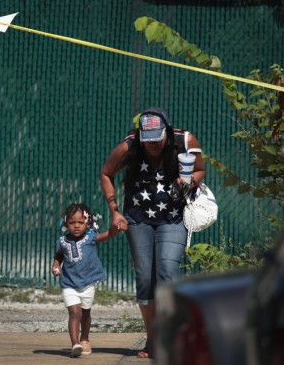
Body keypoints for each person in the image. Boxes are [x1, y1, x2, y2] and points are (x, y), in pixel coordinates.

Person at [99, 107, 205, 358]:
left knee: (167, 270)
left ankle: (173, 338)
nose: (153, 144)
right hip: (138, 219)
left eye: (158, 138)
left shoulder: (185, 141)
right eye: (148, 140)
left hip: (173, 216)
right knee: (145, 279)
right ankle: (153, 338)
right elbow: (106, 173)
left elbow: (200, 170)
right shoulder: (129, 147)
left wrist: (189, 181)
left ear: (167, 130)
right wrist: (114, 211)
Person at [51, 203, 120, 358]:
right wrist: (56, 263)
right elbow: (60, 254)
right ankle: (75, 344)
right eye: (72, 222)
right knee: (75, 312)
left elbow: (108, 235)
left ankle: (84, 338)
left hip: (88, 283)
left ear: (88, 223)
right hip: (69, 283)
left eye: (81, 222)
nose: (76, 226)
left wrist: (116, 228)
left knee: (85, 313)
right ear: (65, 223)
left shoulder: (91, 237)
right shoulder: (62, 241)